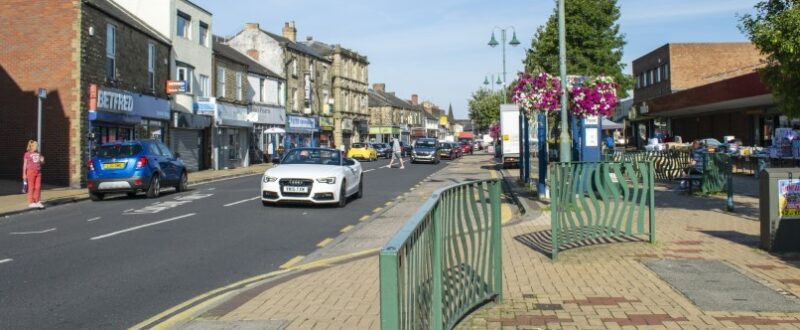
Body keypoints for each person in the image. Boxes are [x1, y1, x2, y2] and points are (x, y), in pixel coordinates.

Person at [23, 140, 44, 209]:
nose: (37, 147)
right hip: (30, 172)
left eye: (37, 146)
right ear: (31, 146)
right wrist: (24, 174)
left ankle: (37, 201)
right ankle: (31, 202)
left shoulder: (38, 153)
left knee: (38, 187)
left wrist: (42, 160)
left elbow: (41, 162)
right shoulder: (27, 154)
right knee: (31, 187)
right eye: (36, 146)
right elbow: (25, 164)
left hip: (38, 172)